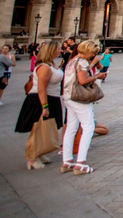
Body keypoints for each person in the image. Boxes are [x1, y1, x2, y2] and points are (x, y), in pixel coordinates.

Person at [15, 41, 64, 170]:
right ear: (51, 51)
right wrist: (45, 106)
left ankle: (39, 153)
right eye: (58, 49)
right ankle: (31, 158)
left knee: (44, 129)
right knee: (37, 130)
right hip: (40, 100)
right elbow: (42, 89)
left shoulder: (51, 64)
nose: (60, 50)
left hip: (51, 98)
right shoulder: (45, 68)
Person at [61, 40, 106, 175]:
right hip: (79, 98)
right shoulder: (82, 62)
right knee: (88, 127)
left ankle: (67, 161)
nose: (93, 55)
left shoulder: (71, 61)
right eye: (93, 52)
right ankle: (81, 163)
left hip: (68, 97)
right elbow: (82, 80)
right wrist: (97, 76)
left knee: (71, 128)